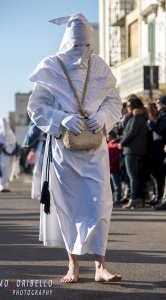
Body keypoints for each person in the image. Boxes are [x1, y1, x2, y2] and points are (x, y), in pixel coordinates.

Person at [27, 13, 122, 283]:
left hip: (95, 149)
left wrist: (102, 117)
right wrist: (61, 119)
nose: (82, 52)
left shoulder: (100, 66)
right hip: (64, 152)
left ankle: (101, 266)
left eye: (87, 46)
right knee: (69, 206)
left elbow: (114, 101)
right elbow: (35, 107)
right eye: (76, 46)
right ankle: (73, 266)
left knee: (101, 203)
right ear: (67, 43)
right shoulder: (50, 67)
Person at [118, 96, 149, 209]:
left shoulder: (137, 117)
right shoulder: (139, 116)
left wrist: (121, 143)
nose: (127, 108)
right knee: (135, 176)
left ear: (134, 106)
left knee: (132, 176)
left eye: (129, 106)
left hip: (132, 150)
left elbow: (131, 133)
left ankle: (135, 199)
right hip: (136, 150)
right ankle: (138, 199)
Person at [148, 95, 166, 210]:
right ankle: (159, 197)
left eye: (158, 103)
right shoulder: (162, 114)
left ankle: (160, 197)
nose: (156, 105)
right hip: (158, 148)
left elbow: (161, 130)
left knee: (160, 175)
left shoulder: (165, 115)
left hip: (161, 148)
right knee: (157, 174)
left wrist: (151, 123)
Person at [0, 118, 18, 192]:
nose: (6, 127)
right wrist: (1, 147)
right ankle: (0, 186)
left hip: (11, 156)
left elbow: (15, 144)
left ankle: (5, 186)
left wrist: (16, 152)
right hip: (2, 155)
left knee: (9, 172)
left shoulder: (12, 134)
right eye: (4, 125)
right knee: (2, 171)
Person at [107, 128, 122, 207]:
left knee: (116, 184)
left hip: (114, 168)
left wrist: (111, 163)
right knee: (110, 185)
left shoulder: (116, 145)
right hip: (109, 169)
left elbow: (117, 157)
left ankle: (117, 199)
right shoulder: (108, 144)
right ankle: (112, 199)